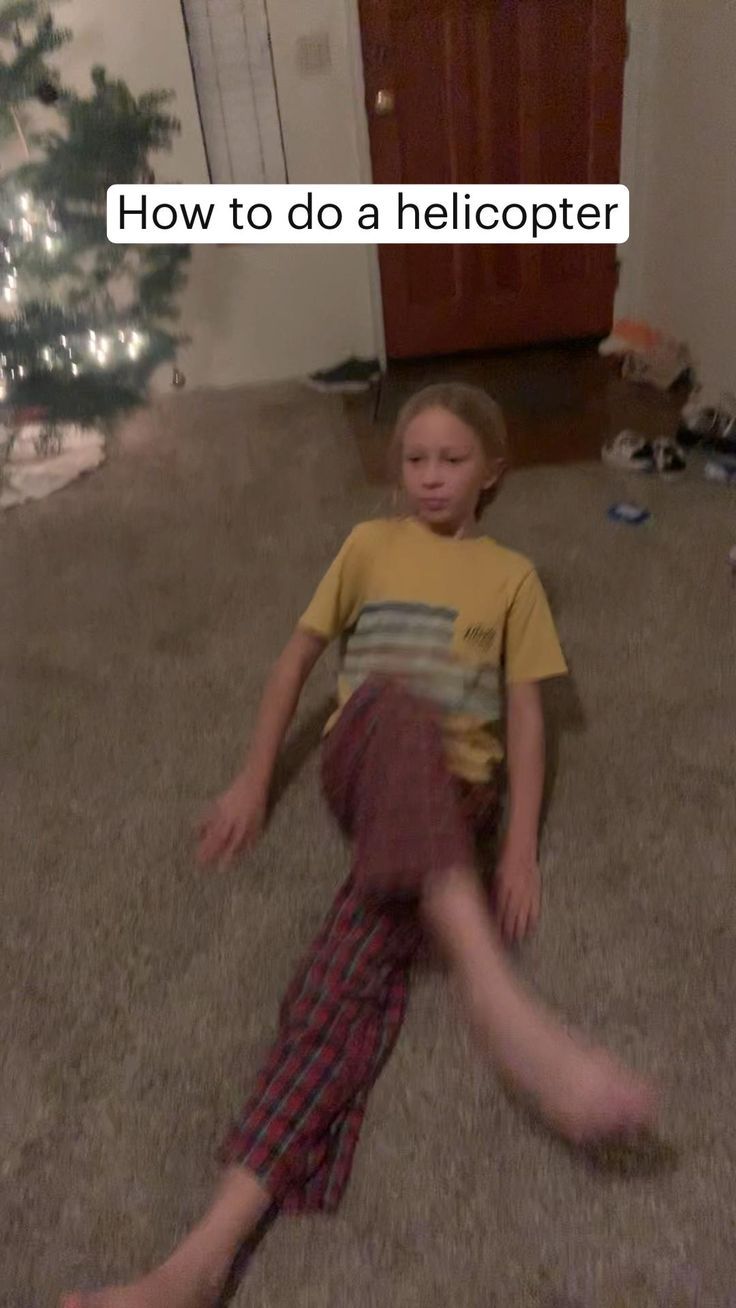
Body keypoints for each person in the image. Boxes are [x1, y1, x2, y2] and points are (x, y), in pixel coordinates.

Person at [63, 383, 656, 1308]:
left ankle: (201, 1259)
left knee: (339, 980)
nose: (429, 477)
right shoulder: (367, 547)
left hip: (458, 802)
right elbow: (297, 662)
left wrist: (520, 849)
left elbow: (529, 722)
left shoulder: (511, 576)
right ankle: (494, 993)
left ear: (491, 472)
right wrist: (254, 778)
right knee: (392, 700)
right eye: (414, 460)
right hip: (366, 755)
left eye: (451, 460)